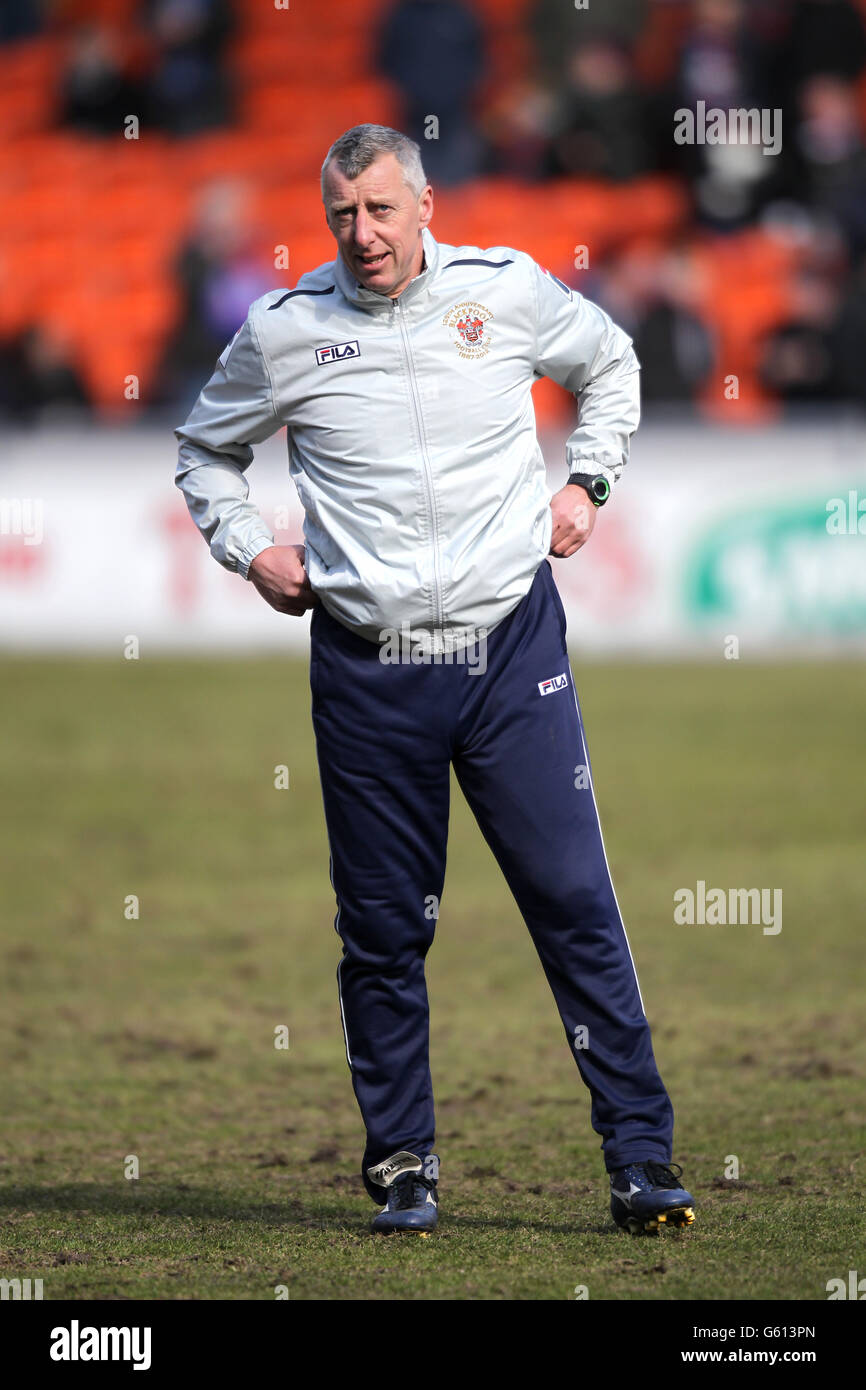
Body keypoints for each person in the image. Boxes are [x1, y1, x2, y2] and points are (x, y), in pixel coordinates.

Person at [174, 124, 696, 1238]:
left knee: (572, 903)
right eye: (341, 217)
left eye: (378, 211)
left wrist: (589, 480)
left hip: (508, 654)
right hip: (368, 674)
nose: (360, 235)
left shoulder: (502, 292)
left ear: (421, 207)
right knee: (380, 933)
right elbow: (202, 451)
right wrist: (247, 547)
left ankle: (641, 1159)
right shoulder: (283, 331)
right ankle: (403, 1165)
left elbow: (608, 361)